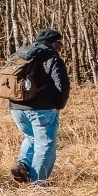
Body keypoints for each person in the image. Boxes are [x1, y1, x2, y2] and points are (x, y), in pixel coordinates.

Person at [5, 28, 71, 184]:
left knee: (31, 138)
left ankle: (23, 165)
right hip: (42, 109)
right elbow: (62, 86)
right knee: (45, 145)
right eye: (60, 44)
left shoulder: (19, 55)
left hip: (16, 108)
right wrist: (58, 105)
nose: (60, 47)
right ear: (53, 43)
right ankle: (38, 183)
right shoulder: (51, 58)